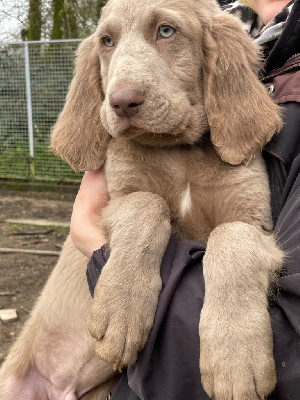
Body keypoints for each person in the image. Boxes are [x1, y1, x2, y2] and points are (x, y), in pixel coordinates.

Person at [70, 0, 300, 398]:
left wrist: (91, 236)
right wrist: (135, 227)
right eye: (107, 41)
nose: (121, 93)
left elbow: (254, 233)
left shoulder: (215, 30)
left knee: (238, 239)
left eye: (165, 31)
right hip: (81, 367)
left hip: (157, 376)